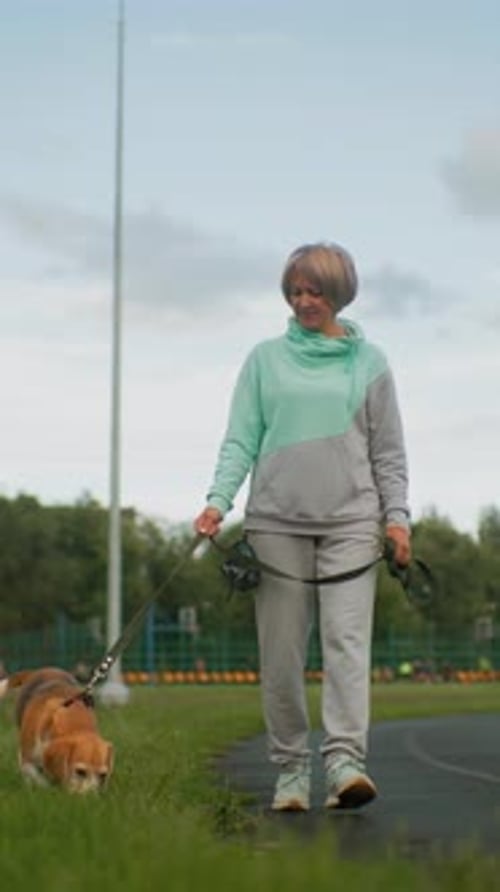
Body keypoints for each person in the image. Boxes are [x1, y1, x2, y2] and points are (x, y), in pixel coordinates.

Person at [194, 241, 411, 811]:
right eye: (295, 291)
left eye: (314, 290)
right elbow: (241, 437)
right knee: (283, 653)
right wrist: (218, 501)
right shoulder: (264, 360)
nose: (303, 301)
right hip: (275, 525)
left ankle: (345, 765)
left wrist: (398, 521)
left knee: (346, 646)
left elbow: (388, 452)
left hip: (353, 523)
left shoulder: (371, 363)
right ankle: (290, 771)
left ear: (338, 293)